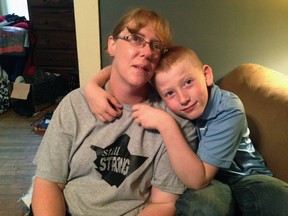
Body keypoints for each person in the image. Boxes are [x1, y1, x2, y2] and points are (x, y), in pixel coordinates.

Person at [85, 45, 288, 216]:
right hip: (211, 183)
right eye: (170, 93)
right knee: (203, 204)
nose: (183, 99)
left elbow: (198, 177)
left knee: (277, 196)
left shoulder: (228, 109)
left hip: (245, 175)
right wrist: (92, 85)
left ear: (206, 75)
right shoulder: (169, 103)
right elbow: (123, 71)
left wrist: (166, 124)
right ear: (160, 93)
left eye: (188, 82)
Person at [31, 9, 198, 216]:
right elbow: (49, 182)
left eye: (156, 46)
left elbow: (163, 204)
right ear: (112, 45)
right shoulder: (75, 104)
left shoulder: (174, 122)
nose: (146, 52)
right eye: (135, 39)